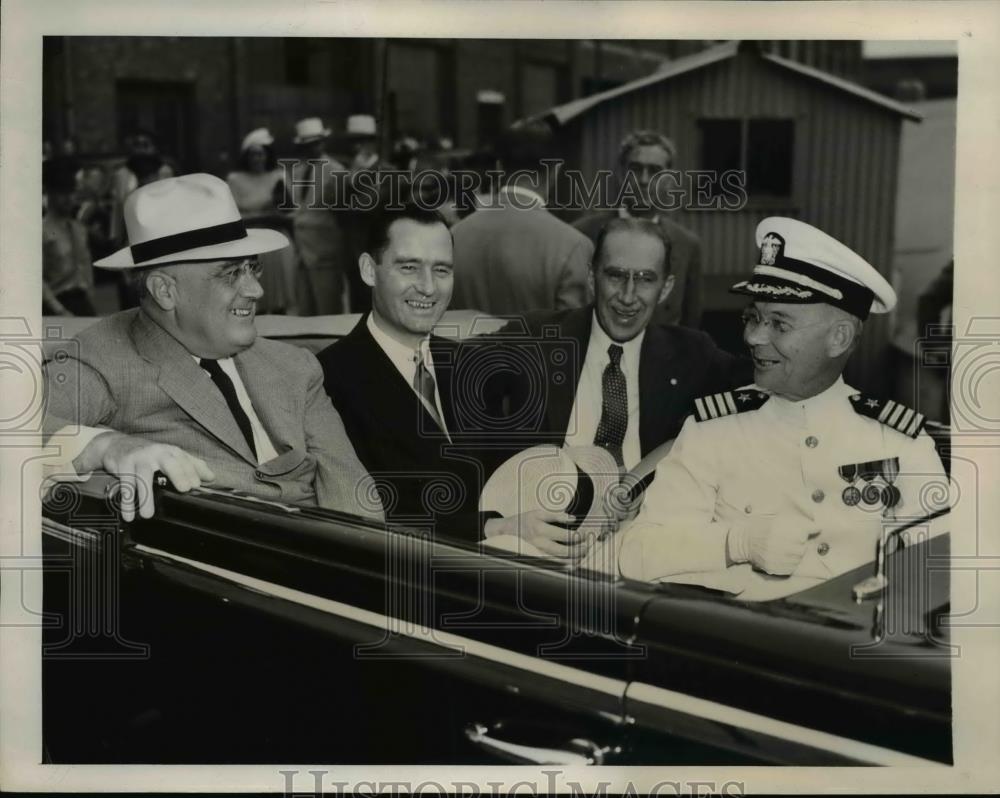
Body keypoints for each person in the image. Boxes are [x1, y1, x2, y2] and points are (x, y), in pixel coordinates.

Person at [617, 218, 948, 598]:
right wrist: (736, 542)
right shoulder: (712, 429)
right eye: (754, 317)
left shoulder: (899, 442)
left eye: (779, 324)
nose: (753, 337)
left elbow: (939, 576)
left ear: (838, 338)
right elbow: (636, 555)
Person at [42, 173, 381, 524]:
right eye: (231, 274)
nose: (256, 291)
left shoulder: (296, 367)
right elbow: (18, 428)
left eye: (253, 268)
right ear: (165, 291)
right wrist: (105, 446)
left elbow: (352, 493)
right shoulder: (103, 357)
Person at [316, 204, 588, 559]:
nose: (428, 288)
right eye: (409, 267)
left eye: (441, 269)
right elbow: (364, 517)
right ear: (369, 270)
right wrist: (493, 527)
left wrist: (591, 495)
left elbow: (517, 468)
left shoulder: (469, 364)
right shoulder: (327, 378)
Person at [482, 217, 750, 474]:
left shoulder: (692, 355)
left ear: (665, 288)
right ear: (591, 277)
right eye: (615, 276)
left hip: (646, 515)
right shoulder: (539, 338)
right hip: (547, 513)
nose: (628, 296)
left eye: (645, 279)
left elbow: (763, 383)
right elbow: (454, 365)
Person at [450, 120, 593, 314]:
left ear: (499, 167)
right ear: (556, 170)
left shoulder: (453, 236)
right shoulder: (572, 246)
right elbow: (574, 336)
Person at [573, 130, 703, 328]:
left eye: (654, 171)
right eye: (635, 169)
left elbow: (691, 323)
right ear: (620, 174)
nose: (643, 180)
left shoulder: (686, 244)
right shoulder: (583, 234)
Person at [226, 127, 298, 314]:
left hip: (276, 243)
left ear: (267, 156)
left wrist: (268, 217)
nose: (256, 159)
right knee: (253, 298)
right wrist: (266, 217)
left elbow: (289, 213)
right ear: (245, 157)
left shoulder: (278, 176)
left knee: (280, 301)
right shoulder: (235, 180)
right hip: (249, 245)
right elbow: (231, 217)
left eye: (260, 154)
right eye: (252, 155)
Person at [288, 117, 348, 315]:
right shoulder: (297, 171)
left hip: (325, 251)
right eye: (307, 145)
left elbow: (343, 214)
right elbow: (297, 208)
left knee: (328, 309)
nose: (312, 148)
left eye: (316, 143)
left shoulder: (336, 171)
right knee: (305, 311)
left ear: (323, 142)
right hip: (301, 252)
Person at [42, 158, 97, 317]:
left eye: (71, 191)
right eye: (62, 192)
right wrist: (59, 310)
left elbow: (85, 265)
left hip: (82, 302)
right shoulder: (42, 231)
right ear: (49, 193)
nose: (68, 198)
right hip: (56, 304)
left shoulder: (78, 228)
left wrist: (89, 296)